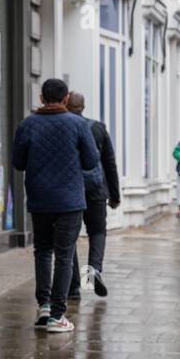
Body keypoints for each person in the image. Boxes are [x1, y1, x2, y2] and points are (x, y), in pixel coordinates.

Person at [10, 77, 100, 334]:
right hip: (70, 200)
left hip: (39, 198)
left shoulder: (28, 124)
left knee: (42, 251)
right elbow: (91, 161)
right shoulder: (78, 124)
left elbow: (18, 162)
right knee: (64, 254)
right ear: (66, 99)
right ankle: (58, 315)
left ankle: (44, 306)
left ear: (41, 98)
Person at [64, 92, 120, 299]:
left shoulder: (63, 127)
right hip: (96, 189)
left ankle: (73, 286)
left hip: (70, 189)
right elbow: (109, 163)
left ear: (66, 104)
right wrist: (114, 195)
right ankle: (93, 271)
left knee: (69, 235)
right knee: (97, 231)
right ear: (83, 107)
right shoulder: (98, 128)